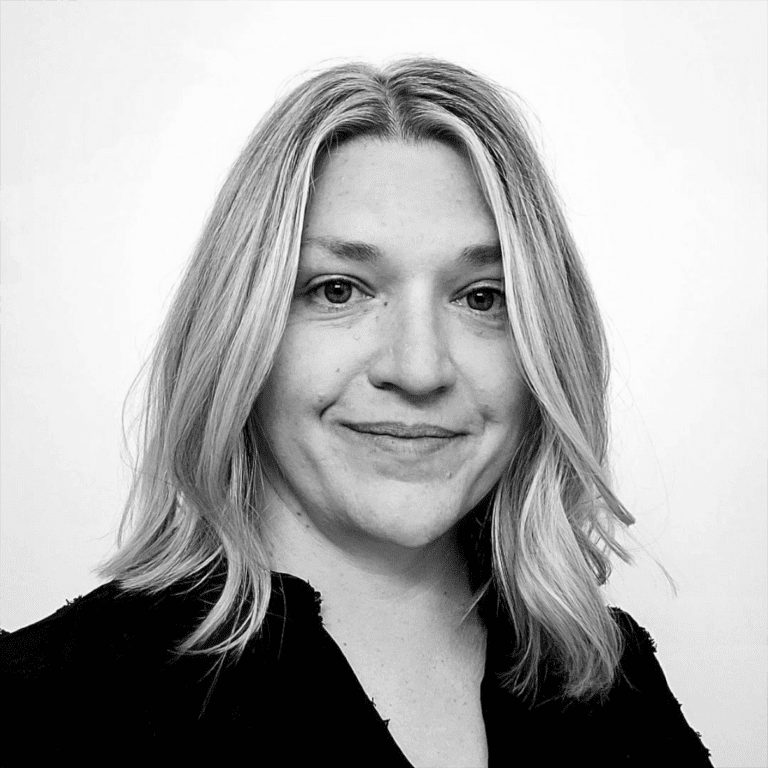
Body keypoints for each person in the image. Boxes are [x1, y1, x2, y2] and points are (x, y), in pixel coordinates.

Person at [1, 57, 713, 767]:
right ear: (239, 330)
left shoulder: (614, 687)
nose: (418, 367)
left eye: (483, 297)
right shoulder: (43, 707)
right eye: (339, 290)